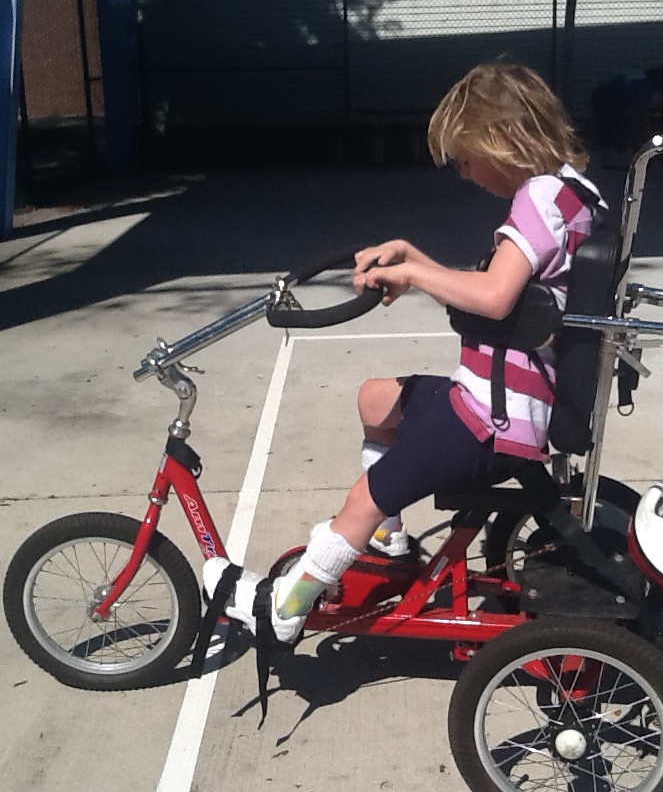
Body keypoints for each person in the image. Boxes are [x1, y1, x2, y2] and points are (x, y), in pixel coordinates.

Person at [203, 61, 604, 644]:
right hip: (506, 400)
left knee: (364, 497)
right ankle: (391, 545)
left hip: (492, 419)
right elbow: (498, 286)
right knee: (376, 400)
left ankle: (285, 607)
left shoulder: (538, 199)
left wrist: (414, 272)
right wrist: (413, 255)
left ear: (504, 140)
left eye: (467, 156)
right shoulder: (572, 193)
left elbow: (493, 298)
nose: (464, 172)